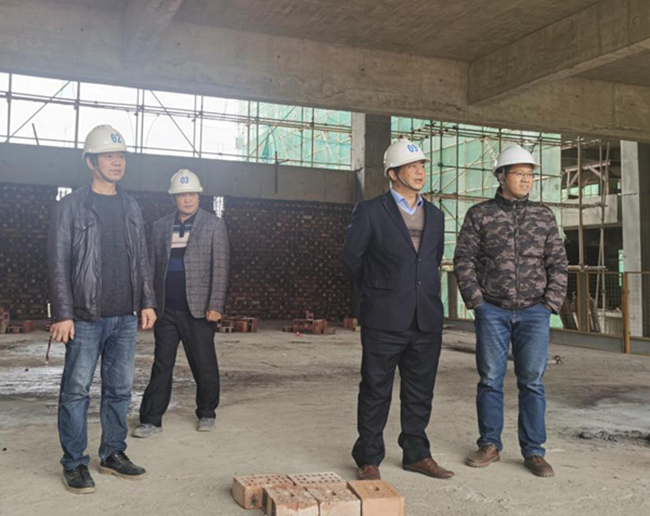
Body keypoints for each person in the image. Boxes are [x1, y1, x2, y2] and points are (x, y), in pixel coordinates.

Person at [49, 124, 156, 494]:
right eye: (109, 156)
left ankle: (112, 453)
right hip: (84, 317)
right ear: (91, 162)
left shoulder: (131, 206)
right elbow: (58, 263)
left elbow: (141, 258)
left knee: (120, 390)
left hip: (124, 316)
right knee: (76, 391)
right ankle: (74, 463)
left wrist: (147, 301)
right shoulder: (70, 207)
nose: (117, 162)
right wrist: (62, 313)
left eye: (121, 156)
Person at [341, 137, 453, 481]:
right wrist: (379, 291)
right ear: (393, 173)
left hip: (426, 317)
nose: (420, 172)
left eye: (422, 166)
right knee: (376, 389)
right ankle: (369, 457)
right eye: (412, 166)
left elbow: (431, 261)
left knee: (421, 391)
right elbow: (352, 258)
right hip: (383, 317)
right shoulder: (370, 211)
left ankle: (417, 454)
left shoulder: (435, 216)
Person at [453, 144, 568, 478]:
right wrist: (477, 302)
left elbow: (558, 262)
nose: (526, 180)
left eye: (530, 174)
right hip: (493, 310)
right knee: (490, 379)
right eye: (519, 173)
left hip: (534, 312)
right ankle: (490, 445)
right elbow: (464, 259)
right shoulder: (480, 215)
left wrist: (550, 304)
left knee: (532, 382)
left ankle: (534, 451)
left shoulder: (543, 216)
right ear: (501, 176)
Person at [133, 169, 229, 437]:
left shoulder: (213, 225)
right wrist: (149, 303)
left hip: (198, 309)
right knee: (161, 364)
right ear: (173, 198)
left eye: (192, 194)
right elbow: (152, 267)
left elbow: (220, 267)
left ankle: (207, 412)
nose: (187, 199)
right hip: (166, 309)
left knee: (203, 363)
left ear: (199, 196)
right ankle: (151, 420)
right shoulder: (161, 226)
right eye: (182, 195)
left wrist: (215, 304)